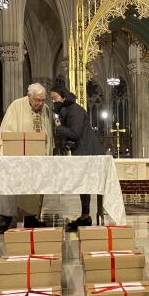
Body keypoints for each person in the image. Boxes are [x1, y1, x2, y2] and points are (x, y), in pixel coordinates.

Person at [0, 83, 54, 232]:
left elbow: (48, 135)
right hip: (17, 160)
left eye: (43, 100)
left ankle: (31, 218)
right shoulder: (16, 106)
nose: (40, 103)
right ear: (29, 96)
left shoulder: (45, 110)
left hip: (37, 160)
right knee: (11, 190)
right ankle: (5, 219)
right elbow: (8, 132)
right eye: (37, 100)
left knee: (34, 189)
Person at [50, 83, 104, 231]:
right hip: (83, 151)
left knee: (86, 184)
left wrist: (59, 127)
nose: (53, 101)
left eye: (55, 98)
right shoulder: (68, 109)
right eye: (52, 99)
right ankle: (85, 216)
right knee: (84, 185)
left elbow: (75, 133)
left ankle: (86, 216)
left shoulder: (74, 110)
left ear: (63, 97)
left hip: (87, 152)